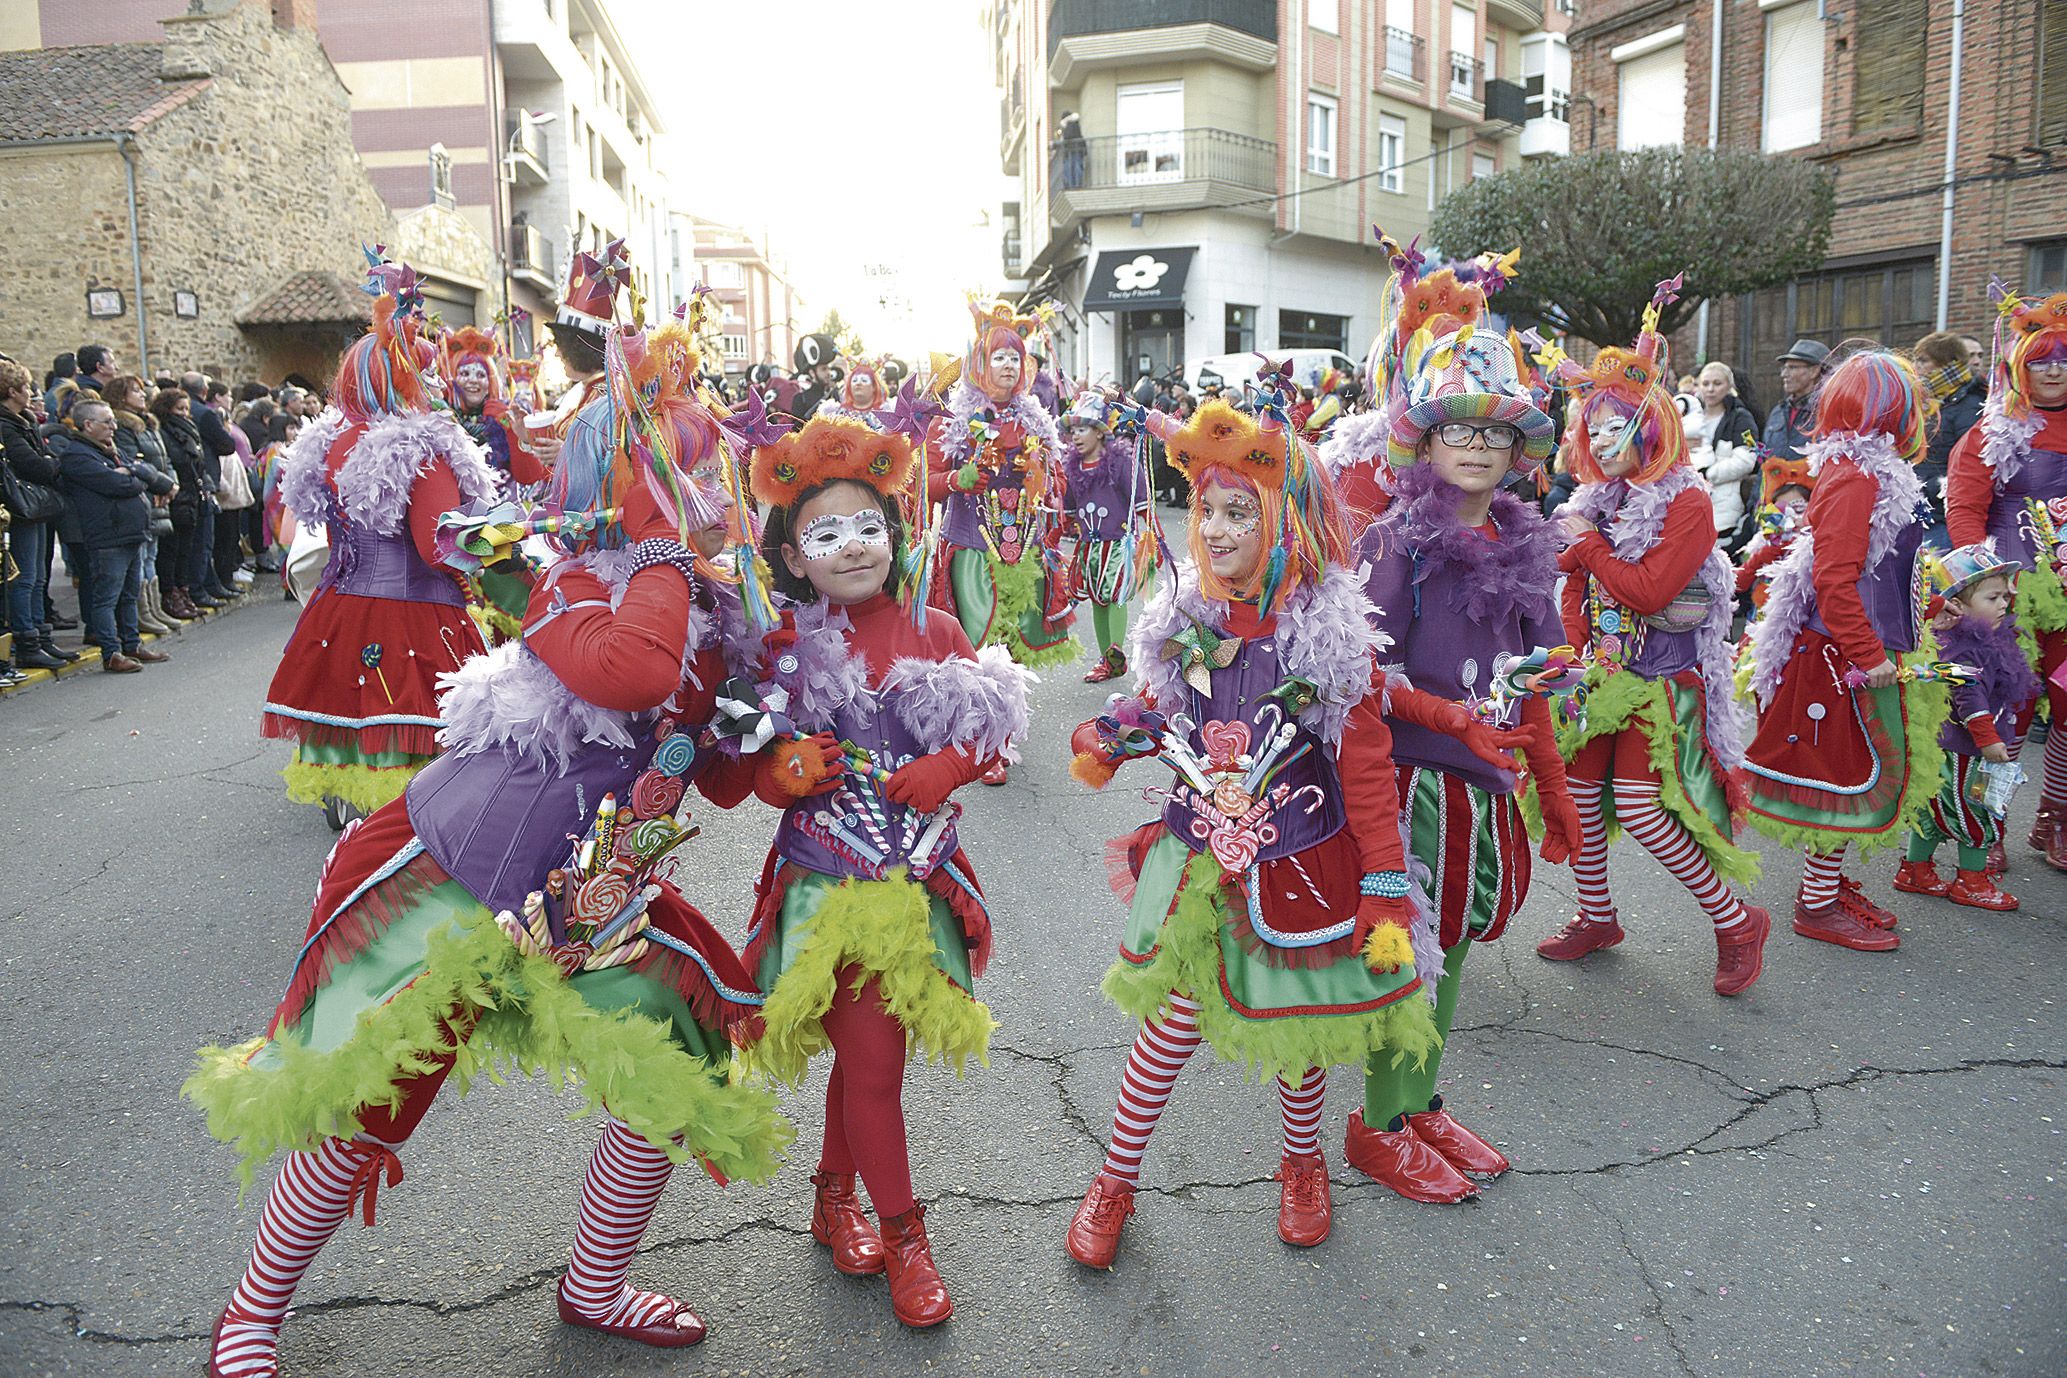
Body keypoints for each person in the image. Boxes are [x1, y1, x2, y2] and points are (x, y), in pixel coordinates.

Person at [187, 315, 792, 1377]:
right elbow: (631, 676)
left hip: (594, 895)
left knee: (679, 1059)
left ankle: (593, 1284)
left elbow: (710, 765)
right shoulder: (552, 571)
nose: (717, 506)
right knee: (370, 1090)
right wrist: (659, 552)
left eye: (719, 480)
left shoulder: (707, 611)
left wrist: (777, 753)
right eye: (691, 479)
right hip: (457, 876)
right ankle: (251, 1311)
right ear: (630, 481)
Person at [1063, 394, 1436, 1264]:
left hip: (1301, 864)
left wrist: (1384, 881)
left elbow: (1367, 767)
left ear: (1291, 522)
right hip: (1195, 858)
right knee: (1168, 1025)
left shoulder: (1329, 633)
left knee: (1296, 1028)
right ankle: (1114, 1179)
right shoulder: (1184, 615)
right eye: (1208, 511)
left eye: (1243, 512)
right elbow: (1155, 712)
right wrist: (1111, 736)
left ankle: (1301, 1165)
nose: (1220, 530)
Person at [736, 413, 1029, 1328]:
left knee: (871, 1062)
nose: (853, 546)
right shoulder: (775, 644)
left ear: (898, 534)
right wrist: (782, 772)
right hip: (830, 886)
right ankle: (905, 1235)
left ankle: (833, 1194)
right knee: (874, 1067)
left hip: (921, 883)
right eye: (825, 533)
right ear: (792, 558)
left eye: (868, 525)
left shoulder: (933, 628)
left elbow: (995, 728)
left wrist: (956, 763)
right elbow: (740, 767)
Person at [1344, 242, 1583, 1203]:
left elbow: (1548, 655)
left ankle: (1419, 1100)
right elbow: (1360, 676)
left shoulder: (1524, 538)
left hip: (1485, 781)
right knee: (1408, 954)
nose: (1476, 446)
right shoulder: (1395, 540)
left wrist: (1554, 706)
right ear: (1425, 446)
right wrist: (1451, 715)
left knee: (1456, 949)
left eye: (1494, 433)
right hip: (1412, 782)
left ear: (1518, 453)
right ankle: (1374, 1121)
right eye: (1456, 431)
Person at [1534, 283, 1770, 996]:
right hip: (1598, 675)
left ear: (1649, 426)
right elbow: (1574, 589)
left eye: (1613, 428)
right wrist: (1567, 654)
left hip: (1660, 679)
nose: (1599, 442)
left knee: (1638, 806)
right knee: (1574, 797)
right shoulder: (1596, 497)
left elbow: (1647, 592)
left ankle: (1735, 920)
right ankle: (1597, 916)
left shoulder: (1689, 500)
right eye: (1590, 430)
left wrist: (1585, 548)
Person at [263, 256, 499, 824]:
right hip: (414, 618)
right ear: (410, 377)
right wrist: (502, 543)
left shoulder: (323, 440)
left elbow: (295, 528)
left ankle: (356, 843)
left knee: (360, 751)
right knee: (418, 770)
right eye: (429, 370)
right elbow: (438, 545)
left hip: (339, 613)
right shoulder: (424, 446)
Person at [1743, 348, 1943, 953]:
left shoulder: (1868, 469)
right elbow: (1835, 578)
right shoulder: (1856, 476)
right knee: (1845, 780)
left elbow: (1880, 568)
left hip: (1861, 647)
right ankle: (1816, 903)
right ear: (1897, 411)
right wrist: (1869, 654)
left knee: (1851, 774)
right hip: (1842, 657)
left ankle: (1823, 888)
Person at [1943, 284, 2067, 869]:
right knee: (2007, 704)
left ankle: (2054, 819)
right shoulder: (1992, 430)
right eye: (2040, 359)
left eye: (2064, 361)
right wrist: (1981, 578)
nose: (2053, 371)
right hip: (2006, 591)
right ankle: (1988, 825)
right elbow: (1965, 509)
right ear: (2020, 364)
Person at [929, 299, 1076, 727]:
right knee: (979, 636)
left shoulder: (1035, 417)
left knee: (1010, 643)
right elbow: (922, 484)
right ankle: (980, 728)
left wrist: (1042, 476)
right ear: (981, 362)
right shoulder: (951, 418)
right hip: (973, 547)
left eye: (1015, 357)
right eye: (1000, 357)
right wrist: (958, 479)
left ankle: (1003, 732)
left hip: (1023, 548)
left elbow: (1058, 481)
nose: (1009, 365)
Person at [1891, 542, 2035, 911]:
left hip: (1970, 749)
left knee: (1935, 810)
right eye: (1992, 597)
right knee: (1978, 810)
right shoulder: (1963, 649)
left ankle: (1915, 870)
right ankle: (1971, 882)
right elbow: (1967, 696)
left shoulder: (1994, 639)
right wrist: (1988, 739)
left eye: (2006, 596)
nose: (2004, 604)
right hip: (1967, 751)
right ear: (1959, 605)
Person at [53, 400, 171, 673]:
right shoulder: (77, 456)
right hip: (107, 536)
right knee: (106, 597)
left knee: (129, 595)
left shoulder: (109, 451)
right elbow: (117, 484)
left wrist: (131, 471)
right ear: (88, 425)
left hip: (128, 533)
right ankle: (111, 651)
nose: (113, 427)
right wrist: (134, 475)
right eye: (107, 422)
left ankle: (131, 643)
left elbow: (141, 473)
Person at [1059, 391, 1152, 682]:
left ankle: (1116, 650)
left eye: (1083, 429)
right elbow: (1068, 508)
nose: (1075, 436)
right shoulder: (1071, 466)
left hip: (1120, 543)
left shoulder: (1120, 461)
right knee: (1098, 600)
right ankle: (1106, 661)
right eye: (1073, 430)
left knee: (1116, 595)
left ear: (1100, 432)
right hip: (1090, 545)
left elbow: (1141, 500)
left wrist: (1151, 536)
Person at [2, 358, 74, 670]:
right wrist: (52, 462)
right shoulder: (6, 425)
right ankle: (27, 639)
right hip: (21, 507)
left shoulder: (24, 420)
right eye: (26, 388)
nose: (32, 393)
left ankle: (41, 637)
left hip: (37, 503)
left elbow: (44, 459)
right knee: (26, 577)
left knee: (38, 575)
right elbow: (36, 464)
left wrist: (49, 461)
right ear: (12, 391)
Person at [107, 375, 181, 637]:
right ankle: (142, 612)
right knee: (141, 555)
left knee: (152, 554)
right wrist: (158, 485)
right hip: (145, 497)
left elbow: (164, 461)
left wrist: (170, 484)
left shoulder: (150, 424)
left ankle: (154, 607)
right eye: (134, 391)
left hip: (161, 493)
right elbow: (134, 463)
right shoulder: (124, 426)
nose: (141, 395)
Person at [1686, 360, 1762, 549]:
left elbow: (1746, 460)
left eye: (1717, 383)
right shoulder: (1689, 419)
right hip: (1689, 504)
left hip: (1723, 507)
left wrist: (1706, 473)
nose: (1710, 389)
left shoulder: (1740, 417)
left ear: (1729, 386)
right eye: (1705, 383)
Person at [153, 388, 214, 617]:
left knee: (186, 550)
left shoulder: (190, 431)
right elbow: (175, 460)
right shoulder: (165, 431)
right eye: (179, 409)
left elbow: (199, 462)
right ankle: (171, 595)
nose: (185, 413)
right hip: (178, 495)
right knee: (172, 549)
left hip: (192, 495)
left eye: (186, 408)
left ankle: (183, 590)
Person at [1733, 460, 1814, 620]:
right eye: (1781, 513)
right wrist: (1763, 556)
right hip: (1765, 618)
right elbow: (1739, 584)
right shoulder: (1764, 541)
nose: (1790, 520)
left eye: (1798, 509)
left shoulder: (1817, 541)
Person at [1765, 338, 1828, 462]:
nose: (1784, 375)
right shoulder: (1778, 412)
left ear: (1814, 371)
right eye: (1784, 368)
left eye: (1792, 368)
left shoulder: (1827, 412)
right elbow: (1766, 461)